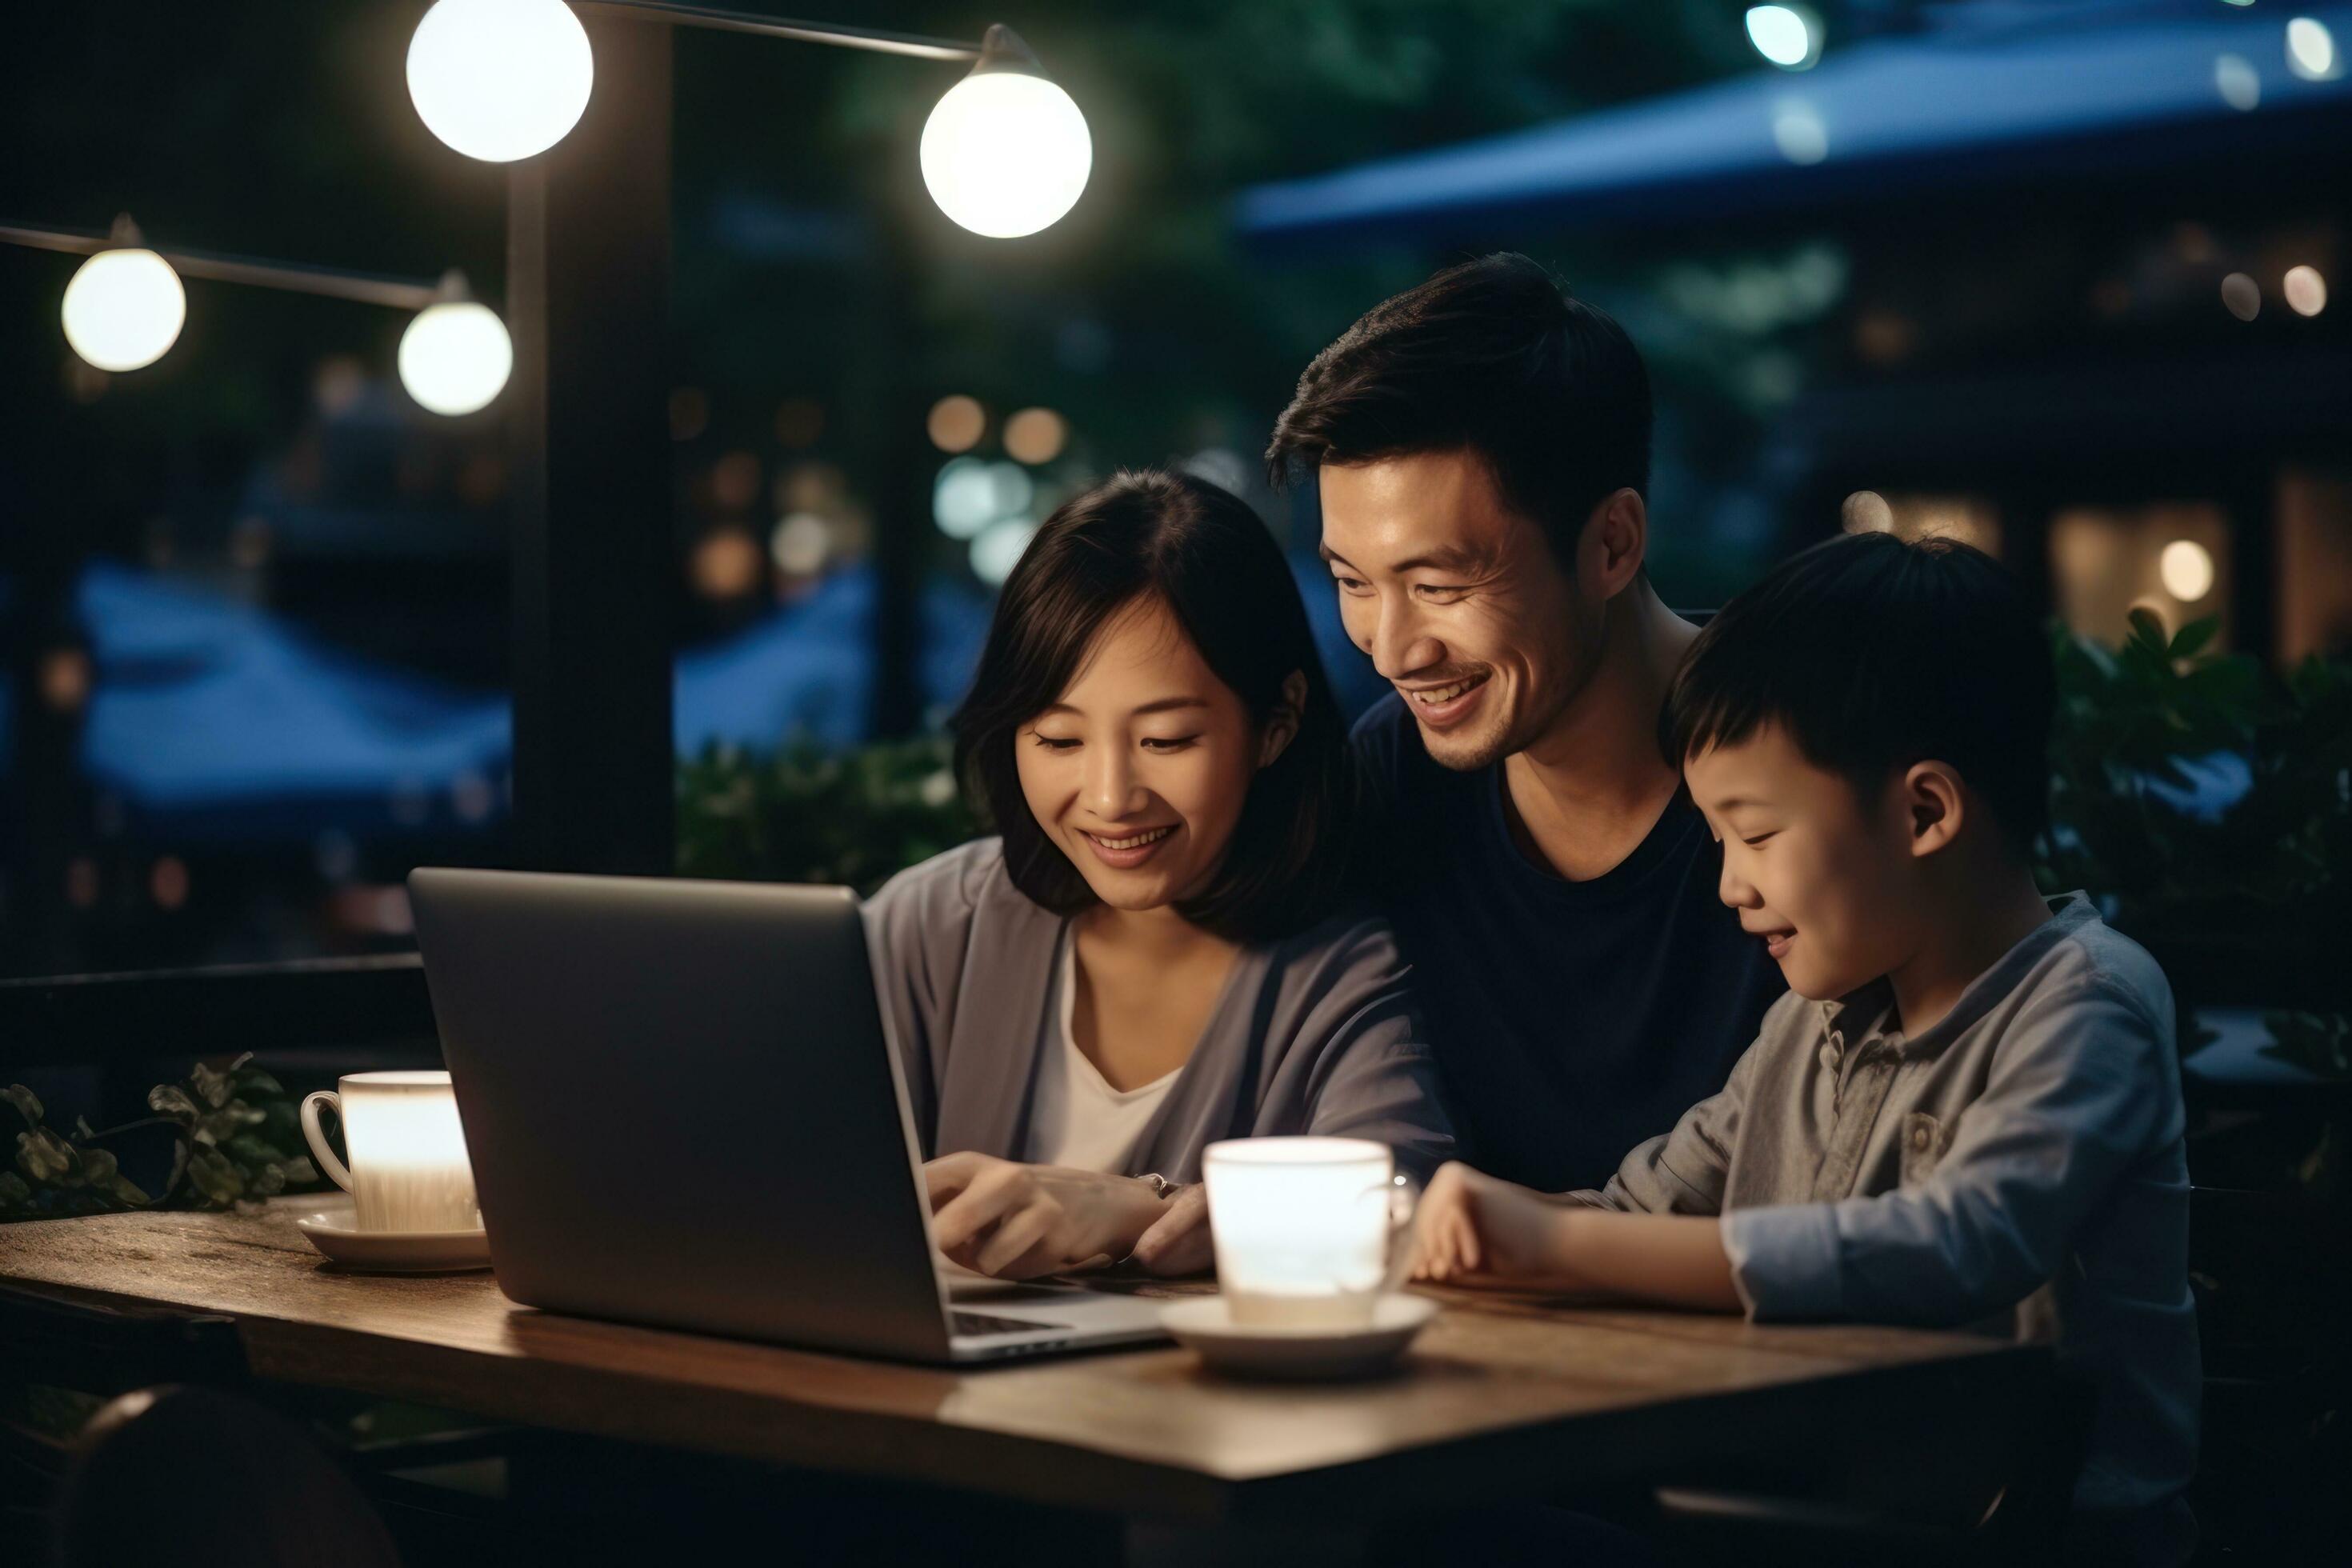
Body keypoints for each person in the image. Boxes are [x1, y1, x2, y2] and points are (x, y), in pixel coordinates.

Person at [1409, 532, 2200, 1565]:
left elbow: (1958, 1245)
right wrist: (1397, 1240)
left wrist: (1555, 1245)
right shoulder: (1817, 1023)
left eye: (1756, 834)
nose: (1730, 882)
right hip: (1801, 1519)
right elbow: (1638, 1208)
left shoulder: (2089, 1006)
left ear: (1925, 811)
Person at [1266, 253, 1783, 1193]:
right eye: (1352, 582)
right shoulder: (1393, 780)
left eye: (1440, 585)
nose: (1391, 649)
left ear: (1613, 544)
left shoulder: (1814, 764)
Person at [864, 468, 1454, 1281]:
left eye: (1167, 739)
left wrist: (1140, 1206)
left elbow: (1398, 1209)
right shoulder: (926, 926)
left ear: (1275, 723)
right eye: (1059, 741)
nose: (1110, 798)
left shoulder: (1345, 974)